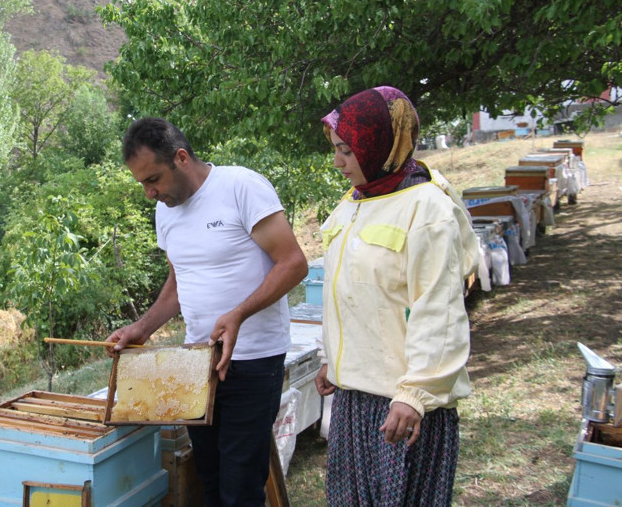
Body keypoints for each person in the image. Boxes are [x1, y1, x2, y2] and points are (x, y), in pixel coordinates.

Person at [107, 117, 308, 507]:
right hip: (198, 365)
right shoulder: (165, 211)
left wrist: (239, 314)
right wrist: (142, 328)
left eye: (154, 179)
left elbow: (293, 263)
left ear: (181, 158)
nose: (150, 193)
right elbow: (177, 285)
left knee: (240, 488)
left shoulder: (240, 187)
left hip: (252, 361)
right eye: (142, 184)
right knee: (210, 481)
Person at [314, 86, 479, 506]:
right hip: (354, 398)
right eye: (336, 149)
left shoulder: (427, 209)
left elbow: (438, 310)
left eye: (346, 151)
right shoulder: (352, 204)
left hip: (403, 405)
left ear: (378, 144)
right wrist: (332, 359)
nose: (338, 162)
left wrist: (416, 394)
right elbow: (348, 292)